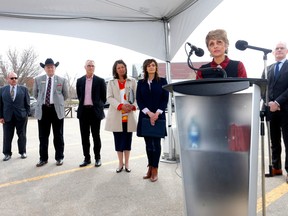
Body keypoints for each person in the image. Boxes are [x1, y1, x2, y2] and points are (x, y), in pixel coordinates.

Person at [136, 59, 169, 182]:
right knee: (148, 144)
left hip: (158, 116)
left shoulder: (162, 81)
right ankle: (150, 167)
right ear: (145, 68)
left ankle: (155, 169)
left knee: (156, 144)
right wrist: (149, 113)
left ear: (156, 68)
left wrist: (156, 113)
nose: (151, 67)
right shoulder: (141, 83)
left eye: (153, 65)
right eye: (149, 65)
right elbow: (139, 100)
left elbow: (165, 99)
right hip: (145, 116)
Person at [33, 58, 69, 167]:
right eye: (48, 67)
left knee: (58, 135)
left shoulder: (62, 80)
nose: (50, 69)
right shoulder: (38, 80)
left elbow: (65, 95)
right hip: (43, 110)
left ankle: (59, 157)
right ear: (44, 68)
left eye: (52, 67)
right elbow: (35, 94)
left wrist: (57, 102)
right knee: (43, 136)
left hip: (56, 110)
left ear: (55, 68)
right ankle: (43, 158)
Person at [105, 60, 137, 173]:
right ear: (115, 70)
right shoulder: (111, 83)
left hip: (129, 115)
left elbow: (137, 97)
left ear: (125, 68)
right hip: (116, 116)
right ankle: (120, 163)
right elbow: (109, 97)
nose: (121, 69)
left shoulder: (132, 81)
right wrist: (120, 106)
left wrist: (132, 106)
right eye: (118, 68)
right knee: (118, 140)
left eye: (122, 67)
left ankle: (127, 163)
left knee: (128, 140)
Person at [264, 41, 288, 183]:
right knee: (274, 140)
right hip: (271, 110)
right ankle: (276, 166)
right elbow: (262, 87)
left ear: (286, 51)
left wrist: (278, 102)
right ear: (273, 53)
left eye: (281, 48)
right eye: (276, 49)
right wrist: (268, 103)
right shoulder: (268, 68)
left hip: (286, 109)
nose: (279, 50)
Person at [76, 60, 106, 167]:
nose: (91, 67)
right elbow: (80, 96)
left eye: (93, 66)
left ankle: (97, 158)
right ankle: (87, 158)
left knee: (96, 136)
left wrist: (98, 107)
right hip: (83, 112)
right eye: (89, 65)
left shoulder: (100, 81)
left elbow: (103, 98)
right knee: (84, 137)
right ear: (85, 67)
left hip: (95, 113)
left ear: (95, 67)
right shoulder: (79, 81)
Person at [0, 72, 30, 161]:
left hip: (21, 117)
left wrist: (26, 114)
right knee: (7, 136)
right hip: (7, 117)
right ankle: (7, 153)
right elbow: (0, 105)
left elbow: (27, 103)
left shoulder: (23, 89)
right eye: (12, 78)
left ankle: (22, 152)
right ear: (7, 79)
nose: (14, 80)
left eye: (16, 78)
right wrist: (1, 117)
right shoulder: (2, 90)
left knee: (22, 135)